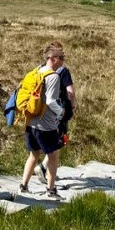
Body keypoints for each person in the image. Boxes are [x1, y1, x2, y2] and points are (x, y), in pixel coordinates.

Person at [19, 43, 76, 199]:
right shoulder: (53, 76)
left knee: (34, 154)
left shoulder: (37, 71)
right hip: (46, 125)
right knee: (53, 157)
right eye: (61, 57)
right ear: (52, 58)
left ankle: (23, 186)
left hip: (31, 121)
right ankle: (51, 191)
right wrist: (61, 111)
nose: (63, 61)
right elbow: (50, 101)